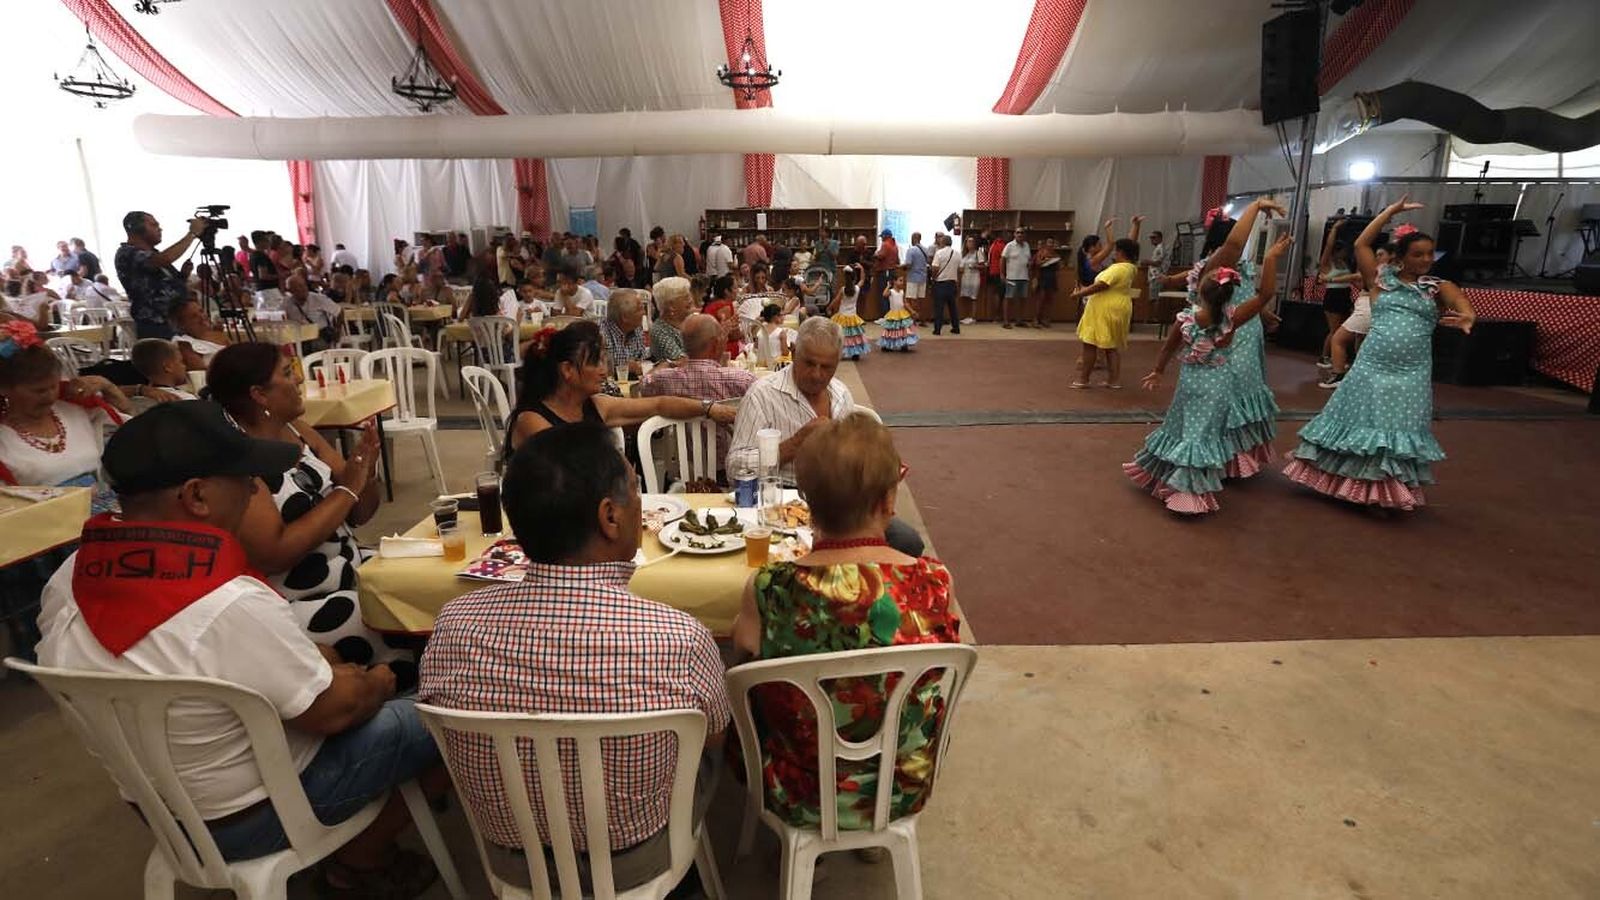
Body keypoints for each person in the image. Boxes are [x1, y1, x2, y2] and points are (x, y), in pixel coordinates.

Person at [36, 401, 446, 893]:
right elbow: (338, 711)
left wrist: (330, 670)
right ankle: (363, 857)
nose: (256, 488)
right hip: (261, 814)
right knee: (456, 712)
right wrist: (378, 681)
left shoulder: (66, 580)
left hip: (165, 816)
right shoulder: (225, 602)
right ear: (197, 496)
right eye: (246, 478)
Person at [419, 423, 728, 892]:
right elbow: (712, 738)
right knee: (708, 750)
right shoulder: (679, 638)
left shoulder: (453, 625)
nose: (640, 504)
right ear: (610, 517)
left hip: (513, 860)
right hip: (635, 861)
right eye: (635, 490)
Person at [731, 413, 960, 830]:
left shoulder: (770, 588)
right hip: (900, 785)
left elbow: (743, 661)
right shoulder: (931, 582)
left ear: (807, 502)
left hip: (799, 791)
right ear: (888, 502)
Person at [207, 343, 415, 685]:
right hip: (300, 599)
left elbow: (361, 513)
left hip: (353, 566)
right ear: (259, 394)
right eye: (288, 374)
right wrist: (347, 490)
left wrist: (366, 473)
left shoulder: (296, 429)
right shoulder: (237, 463)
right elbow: (275, 552)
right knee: (401, 626)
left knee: (422, 585)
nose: (299, 381)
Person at [1284, 198, 1476, 511]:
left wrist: (1468, 316)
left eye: (1429, 254)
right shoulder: (1379, 282)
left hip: (1412, 371)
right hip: (1372, 366)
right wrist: (1389, 213)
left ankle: (1385, 491)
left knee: (1396, 429)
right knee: (1362, 422)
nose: (1426, 259)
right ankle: (1346, 483)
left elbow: (1460, 301)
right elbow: (1362, 243)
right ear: (1401, 257)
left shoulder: (1437, 286)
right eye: (1418, 254)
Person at [727, 317, 925, 555]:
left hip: (841, 503)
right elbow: (735, 467)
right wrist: (796, 443)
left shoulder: (840, 394)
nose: (817, 375)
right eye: (809, 363)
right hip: (782, 500)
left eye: (827, 367)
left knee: (908, 542)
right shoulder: (762, 395)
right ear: (793, 351)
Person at [1124, 236, 1290, 515]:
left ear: (1199, 289)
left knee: (1180, 427)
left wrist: (1157, 371)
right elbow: (1264, 296)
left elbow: (1168, 347)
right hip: (1218, 387)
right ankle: (1187, 490)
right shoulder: (1233, 319)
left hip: (1189, 383)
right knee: (1202, 434)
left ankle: (1167, 478)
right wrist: (1272, 258)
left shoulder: (1186, 318)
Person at [504, 320, 736, 458]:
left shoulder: (595, 405)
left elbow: (659, 403)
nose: (604, 371)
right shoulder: (531, 420)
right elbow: (572, 470)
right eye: (595, 362)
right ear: (567, 370)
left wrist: (709, 408)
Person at [0, 322, 130, 504]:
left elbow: (134, 427)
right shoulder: (4, 440)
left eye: (53, 386)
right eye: (38, 390)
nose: (50, 396)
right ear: (4, 388)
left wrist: (109, 388)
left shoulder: (76, 410)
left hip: (105, 515)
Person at [640, 313, 757, 461]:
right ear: (715, 344)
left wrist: (668, 363)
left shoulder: (663, 379)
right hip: (730, 465)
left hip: (683, 467)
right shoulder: (742, 380)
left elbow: (644, 384)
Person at [114, 210, 207, 339]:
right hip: (155, 323)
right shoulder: (128, 253)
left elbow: (161, 281)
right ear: (137, 228)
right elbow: (164, 259)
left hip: (175, 321)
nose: (160, 229)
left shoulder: (152, 253)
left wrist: (183, 275)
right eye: (154, 225)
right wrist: (192, 234)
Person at [1068, 238, 1139, 388]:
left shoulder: (1118, 268)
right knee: (1111, 346)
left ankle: (1083, 379)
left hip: (1105, 309)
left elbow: (1101, 285)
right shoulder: (1131, 268)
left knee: (1090, 343)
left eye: (1116, 250)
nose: (1113, 253)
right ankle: (1113, 380)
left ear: (1121, 252)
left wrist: (1079, 293)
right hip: (1119, 307)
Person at [1319, 244, 1390, 389]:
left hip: (1367, 307)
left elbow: (1356, 275)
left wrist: (1330, 279)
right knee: (1360, 338)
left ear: (1393, 256)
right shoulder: (1387, 272)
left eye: (1381, 254)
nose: (1377, 257)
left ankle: (1338, 374)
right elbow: (1357, 279)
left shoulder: (1383, 271)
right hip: (1362, 304)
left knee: (1338, 338)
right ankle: (1359, 370)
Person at [1316, 222, 1363, 369]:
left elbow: (1353, 279)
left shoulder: (1345, 263)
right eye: (1341, 251)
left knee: (1345, 329)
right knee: (1334, 330)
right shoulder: (1327, 263)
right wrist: (1335, 229)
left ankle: (1337, 356)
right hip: (1333, 296)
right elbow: (1328, 247)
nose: (1344, 253)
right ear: (1336, 251)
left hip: (1345, 295)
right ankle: (1324, 357)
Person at [167, 296, 233, 370]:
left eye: (201, 311)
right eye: (194, 316)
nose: (202, 317)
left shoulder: (219, 334)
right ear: (181, 324)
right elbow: (199, 369)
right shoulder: (183, 343)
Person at [283, 273, 342, 351]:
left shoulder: (318, 298)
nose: (303, 289)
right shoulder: (287, 303)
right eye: (298, 287)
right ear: (291, 291)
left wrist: (337, 330)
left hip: (318, 336)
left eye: (304, 285)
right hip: (298, 338)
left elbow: (339, 311)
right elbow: (281, 317)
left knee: (317, 346)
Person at [600, 288, 650, 378]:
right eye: (639, 309)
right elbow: (599, 371)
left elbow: (642, 361)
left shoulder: (637, 329)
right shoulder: (600, 334)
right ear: (625, 317)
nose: (643, 313)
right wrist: (623, 368)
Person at [130, 339, 199, 401]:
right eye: (181, 362)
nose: (185, 366)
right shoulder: (185, 399)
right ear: (168, 367)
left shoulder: (132, 399)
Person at [829, 264, 871, 360]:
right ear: (854, 277)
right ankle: (855, 353)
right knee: (853, 335)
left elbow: (836, 301)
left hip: (842, 315)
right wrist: (862, 269)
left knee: (842, 334)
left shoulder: (843, 290)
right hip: (852, 315)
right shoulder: (857, 289)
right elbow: (862, 280)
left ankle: (841, 351)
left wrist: (829, 307)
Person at [649, 276, 693, 365]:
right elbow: (681, 361)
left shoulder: (690, 322)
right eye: (686, 297)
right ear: (671, 306)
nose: (691, 300)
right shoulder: (659, 331)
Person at [877, 271, 919, 352]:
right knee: (892, 330)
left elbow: (905, 303)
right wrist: (888, 286)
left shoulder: (902, 292)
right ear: (894, 281)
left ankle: (903, 344)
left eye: (903, 281)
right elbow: (884, 294)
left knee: (902, 329)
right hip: (893, 313)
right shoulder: (891, 291)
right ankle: (888, 344)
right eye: (900, 280)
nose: (902, 282)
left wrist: (912, 311)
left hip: (902, 313)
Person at [930, 233, 962, 336]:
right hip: (952, 283)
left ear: (943, 242)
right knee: (953, 307)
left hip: (940, 283)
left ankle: (937, 329)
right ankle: (956, 327)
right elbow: (961, 269)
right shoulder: (957, 254)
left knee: (939, 307)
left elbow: (935, 268)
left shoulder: (939, 253)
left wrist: (933, 278)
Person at [1000, 227, 1031, 329]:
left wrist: (1030, 264)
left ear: (1024, 235)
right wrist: (1002, 274)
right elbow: (1002, 260)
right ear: (1014, 234)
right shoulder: (1009, 246)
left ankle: (1019, 320)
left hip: (1024, 277)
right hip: (1012, 277)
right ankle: (1006, 321)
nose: (1020, 234)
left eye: (1022, 233)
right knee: (1008, 298)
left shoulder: (1027, 245)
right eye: (1018, 232)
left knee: (1022, 299)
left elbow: (1028, 259)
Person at [1032, 238, 1063, 328]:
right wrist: (1047, 260)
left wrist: (1058, 262)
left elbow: (1058, 268)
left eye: (1053, 243)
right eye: (1049, 242)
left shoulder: (1056, 255)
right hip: (1042, 278)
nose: (1051, 244)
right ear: (1046, 244)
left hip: (1052, 278)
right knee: (1040, 299)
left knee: (1049, 300)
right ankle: (1036, 319)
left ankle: (1044, 319)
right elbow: (1037, 263)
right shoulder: (1041, 252)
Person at [904, 231, 930, 313]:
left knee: (912, 299)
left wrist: (900, 267)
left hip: (913, 278)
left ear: (914, 239)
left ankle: (913, 319)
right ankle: (922, 319)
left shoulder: (911, 250)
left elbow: (908, 264)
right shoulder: (926, 250)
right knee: (921, 299)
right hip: (923, 277)